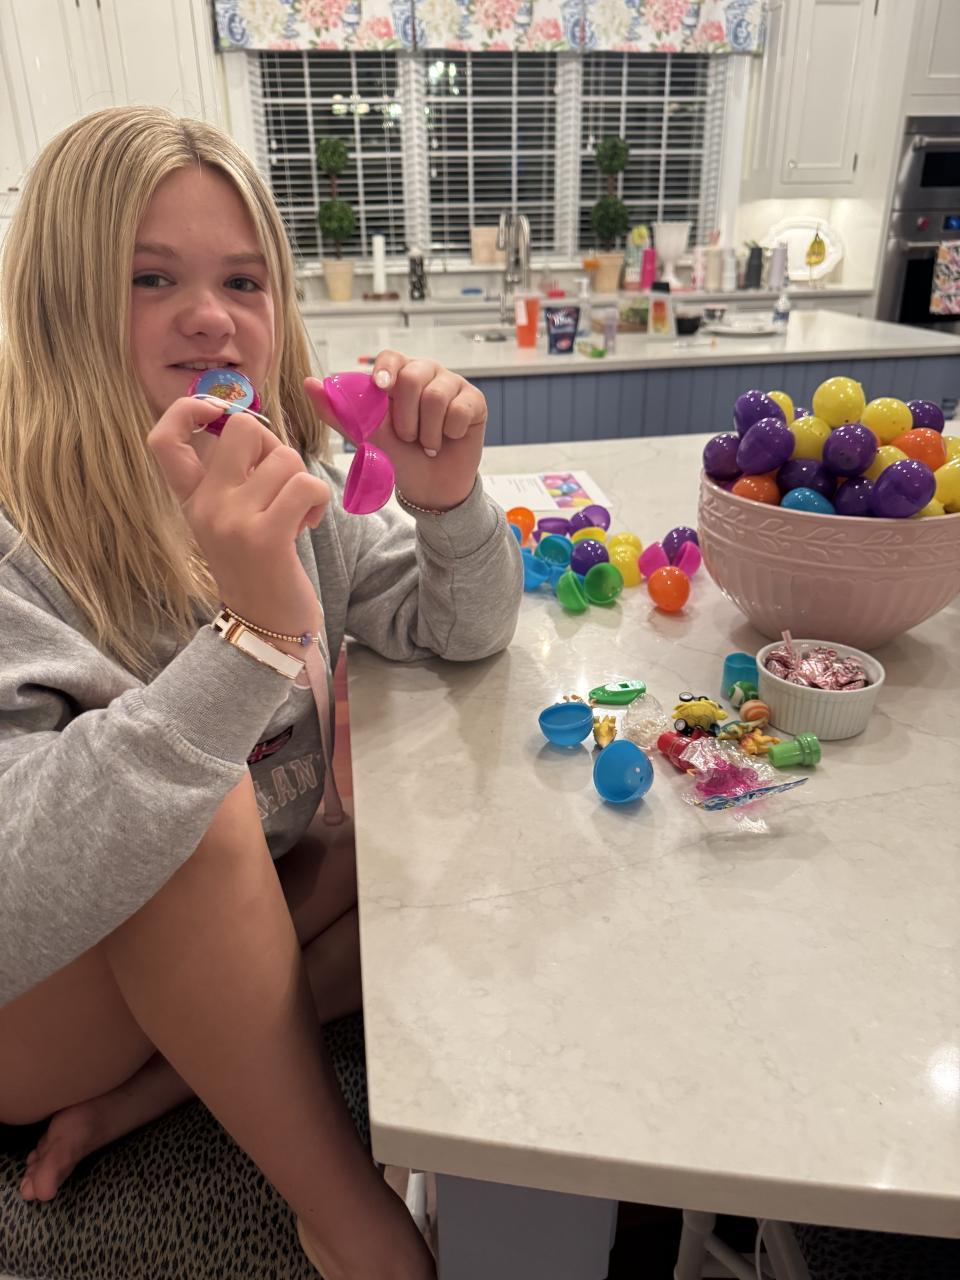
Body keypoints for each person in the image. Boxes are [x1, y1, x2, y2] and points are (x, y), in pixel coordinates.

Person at [0, 106, 522, 1279]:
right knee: (191, 812)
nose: (210, 314)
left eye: (243, 279)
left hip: (216, 956)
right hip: (35, 1003)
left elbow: (463, 626)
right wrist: (251, 638)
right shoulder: (18, 544)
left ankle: (172, 1078)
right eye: (149, 277)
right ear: (60, 303)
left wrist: (449, 503)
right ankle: (352, 1221)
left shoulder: (288, 488)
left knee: (418, 847)